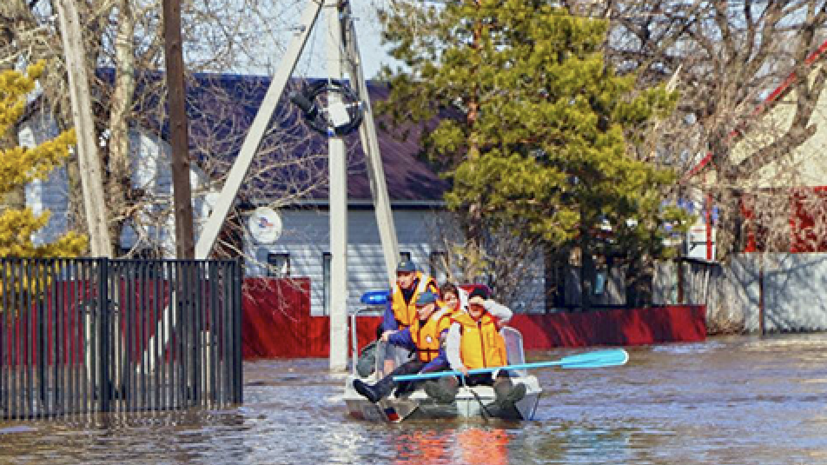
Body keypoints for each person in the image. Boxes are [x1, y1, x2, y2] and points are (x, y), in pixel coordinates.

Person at [425, 287, 526, 410]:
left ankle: (507, 399)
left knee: (503, 380)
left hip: (491, 372)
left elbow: (508, 314)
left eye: (478, 304)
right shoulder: (458, 324)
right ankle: (443, 395)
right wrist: (458, 366)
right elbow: (452, 349)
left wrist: (484, 303)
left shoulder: (494, 321)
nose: (475, 307)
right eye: (472, 304)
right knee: (449, 378)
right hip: (467, 372)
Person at [353, 291, 451, 403]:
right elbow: (405, 336)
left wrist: (425, 371)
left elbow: (445, 356)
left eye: (421, 307)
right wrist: (390, 337)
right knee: (405, 368)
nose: (418, 310)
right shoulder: (419, 323)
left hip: (442, 366)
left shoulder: (444, 324)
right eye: (417, 307)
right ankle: (377, 391)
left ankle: (406, 394)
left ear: (432, 306)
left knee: (414, 375)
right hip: (424, 362)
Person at [382, 259, 439, 331]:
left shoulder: (427, 288)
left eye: (406, 275)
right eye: (399, 276)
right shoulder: (393, 292)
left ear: (414, 275)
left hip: (422, 331)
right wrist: (390, 334)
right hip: (401, 333)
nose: (402, 280)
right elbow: (389, 320)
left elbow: (436, 312)